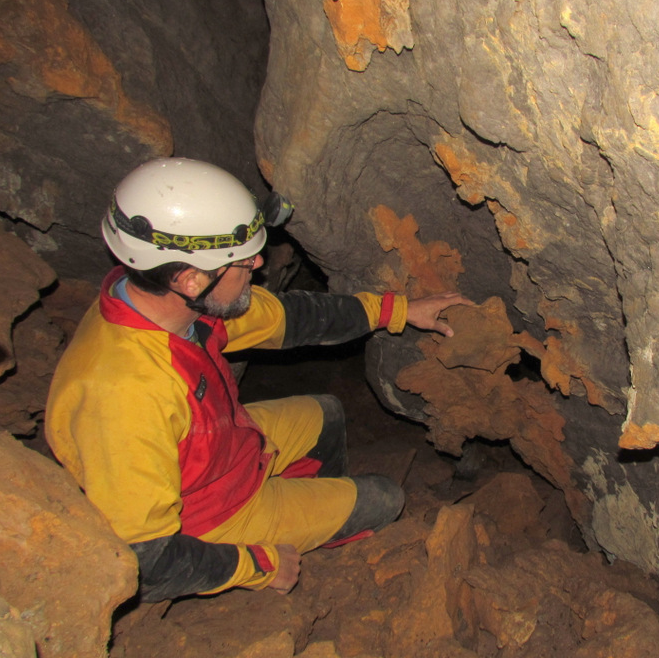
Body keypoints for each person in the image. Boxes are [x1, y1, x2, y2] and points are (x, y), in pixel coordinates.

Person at [45, 158, 470, 602]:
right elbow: (146, 560)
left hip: (217, 447)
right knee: (384, 499)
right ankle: (304, 551)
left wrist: (400, 311)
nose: (259, 261)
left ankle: (306, 508)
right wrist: (258, 564)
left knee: (326, 414)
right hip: (206, 516)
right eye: (241, 261)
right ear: (190, 278)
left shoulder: (174, 305)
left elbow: (296, 318)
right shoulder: (122, 395)